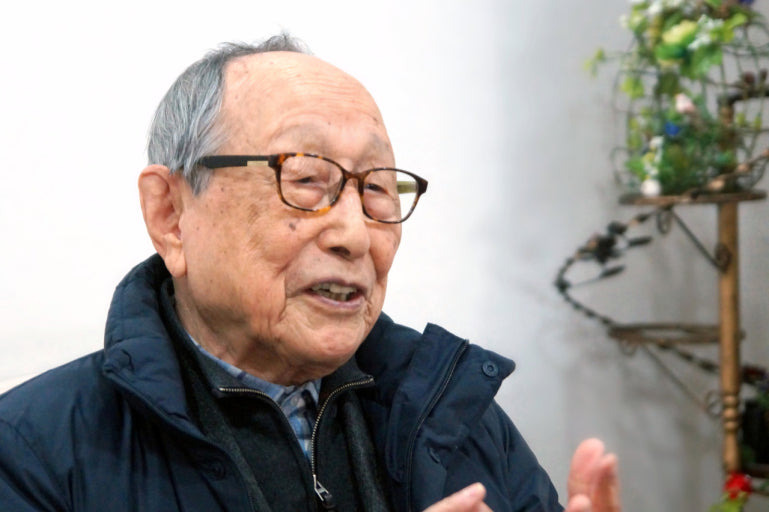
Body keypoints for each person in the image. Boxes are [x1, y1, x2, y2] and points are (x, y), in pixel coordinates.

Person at [0, 35, 620, 512]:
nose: (355, 234)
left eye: (377, 188)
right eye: (304, 180)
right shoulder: (32, 451)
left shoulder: (454, 415)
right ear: (171, 215)